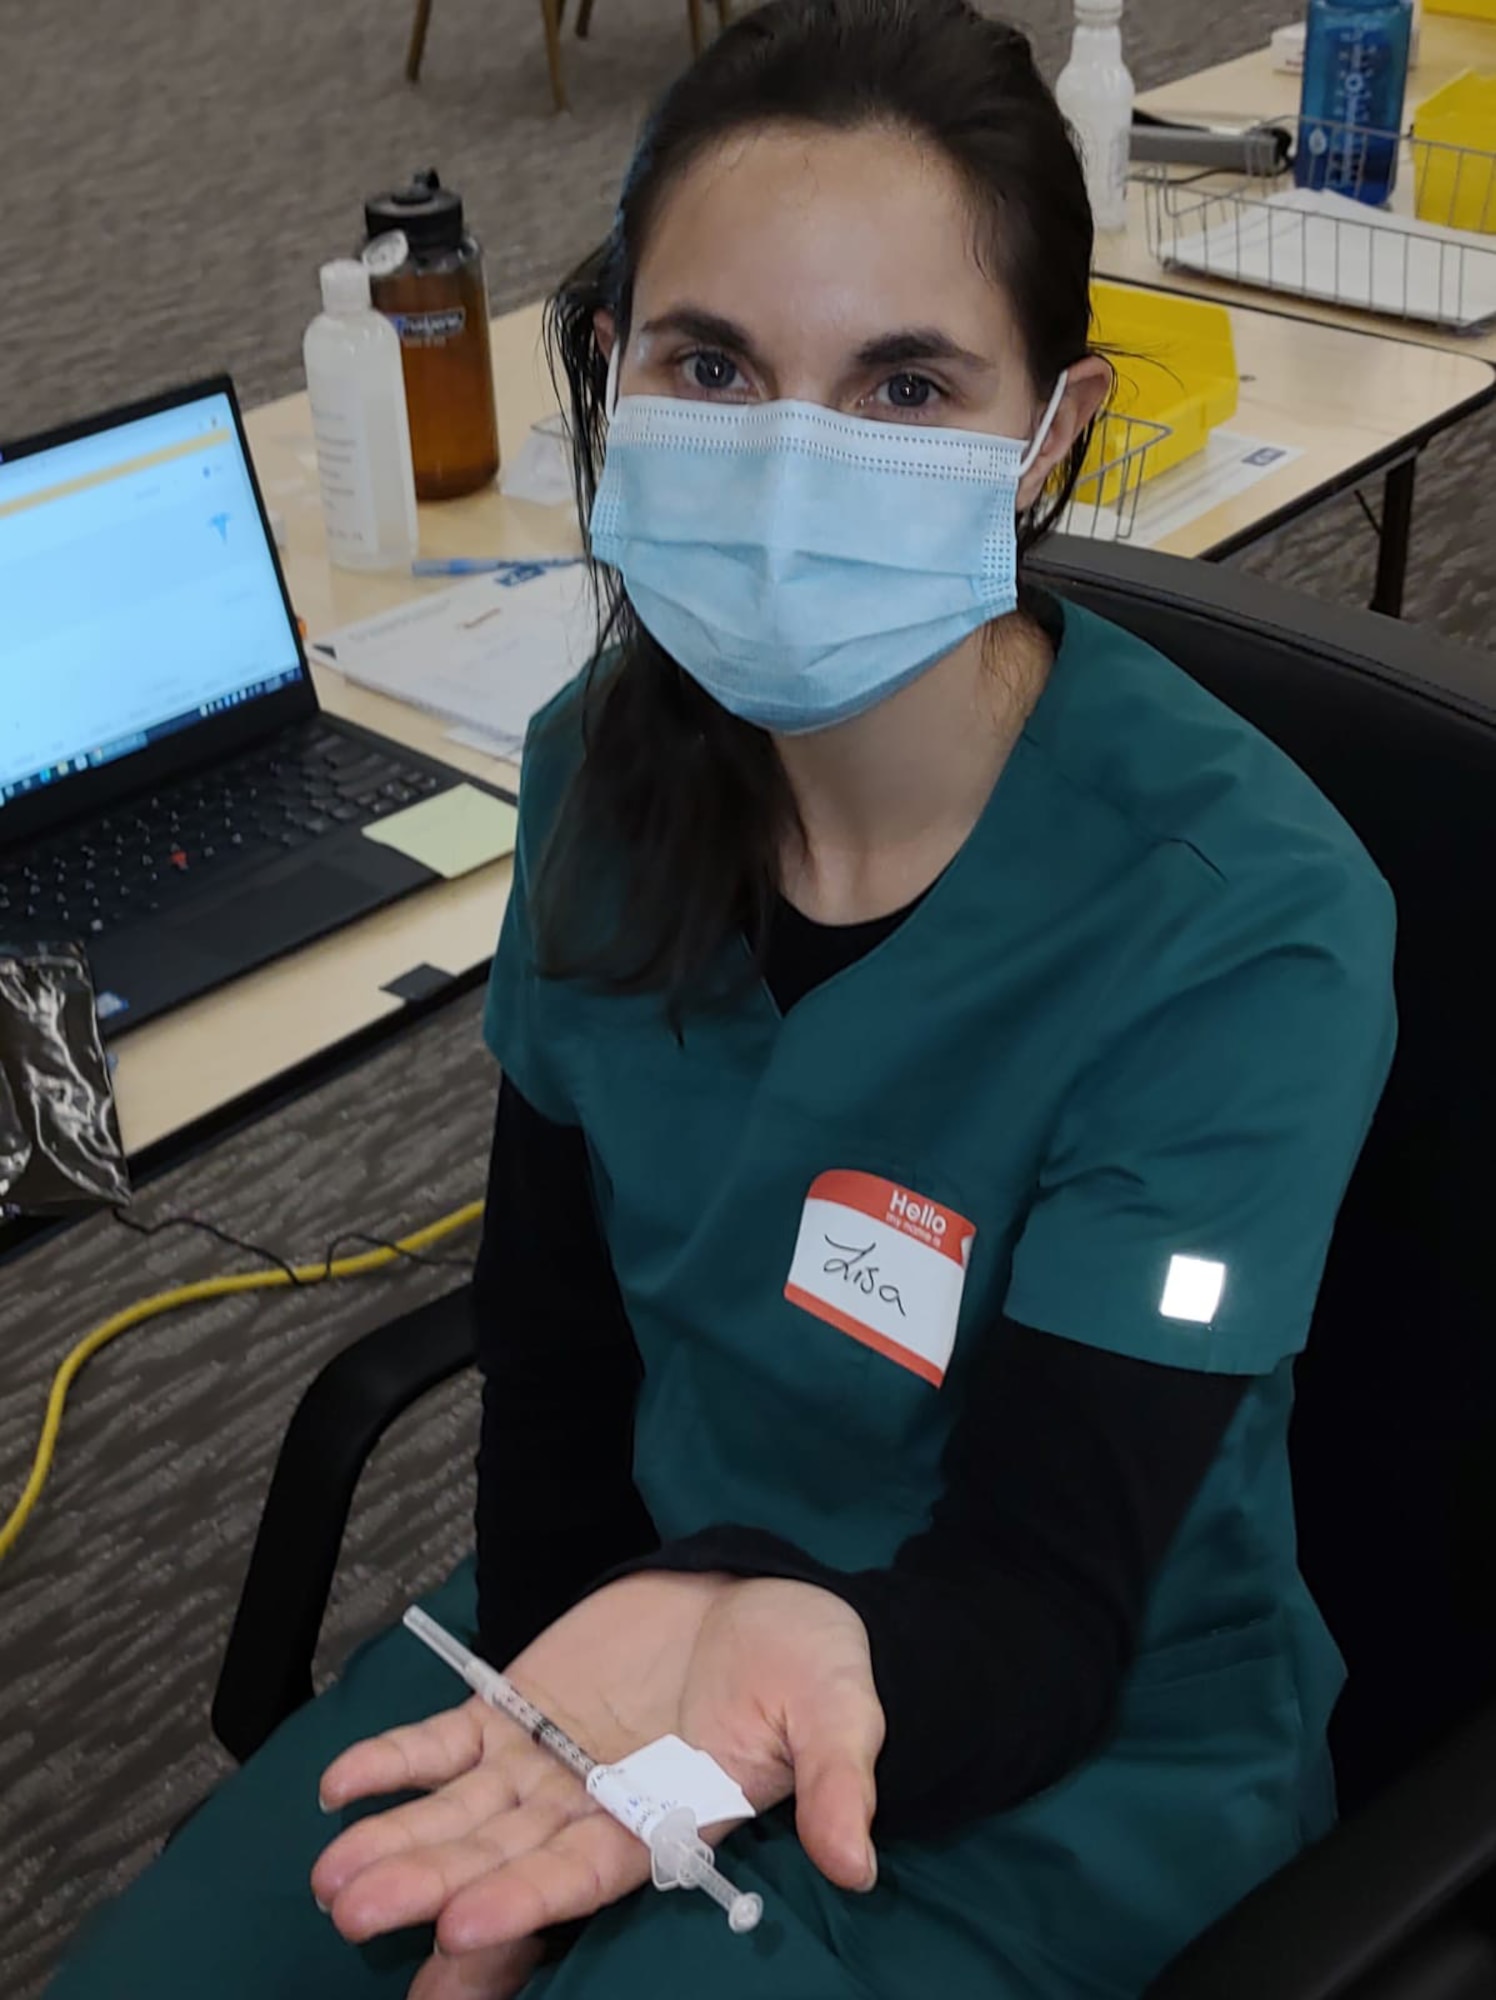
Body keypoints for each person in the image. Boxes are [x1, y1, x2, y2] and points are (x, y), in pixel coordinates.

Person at [47, 1, 1397, 1995]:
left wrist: (759, 1699)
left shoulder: (1237, 924)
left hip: (1030, 1743)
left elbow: (1049, 1590)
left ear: (1056, 429)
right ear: (608, 369)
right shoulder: (606, 758)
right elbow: (560, 1346)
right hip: (630, 1620)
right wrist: (586, 1681)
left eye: (904, 382)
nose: (789, 463)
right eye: (712, 364)